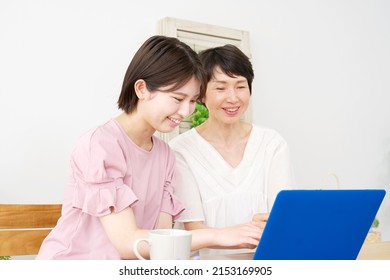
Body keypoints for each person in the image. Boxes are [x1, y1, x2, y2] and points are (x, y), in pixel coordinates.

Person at [36, 36, 261, 260]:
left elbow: (161, 241)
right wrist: (218, 236)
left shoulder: (165, 155)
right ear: (142, 89)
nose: (185, 111)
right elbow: (127, 243)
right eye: (177, 98)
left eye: (192, 100)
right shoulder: (100, 145)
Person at [169, 44, 295, 257]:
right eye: (220, 88)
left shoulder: (272, 144)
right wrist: (251, 231)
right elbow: (194, 231)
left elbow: (284, 222)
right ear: (201, 94)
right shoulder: (180, 151)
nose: (233, 98)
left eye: (240, 86)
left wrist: (274, 225)